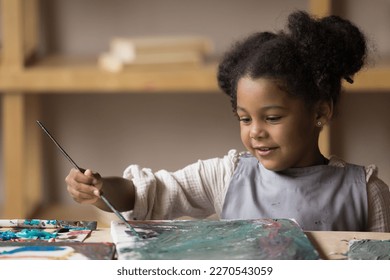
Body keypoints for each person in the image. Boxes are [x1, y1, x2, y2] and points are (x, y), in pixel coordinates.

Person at [66, 11, 390, 232]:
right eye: (244, 119)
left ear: (320, 112)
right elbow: (150, 193)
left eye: (272, 117)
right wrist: (102, 188)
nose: (256, 132)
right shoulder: (228, 175)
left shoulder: (366, 191)